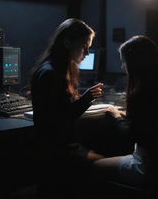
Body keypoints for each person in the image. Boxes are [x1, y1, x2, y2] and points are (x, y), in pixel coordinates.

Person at [92, 35, 158, 198]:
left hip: (147, 166)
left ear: (135, 64)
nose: (122, 66)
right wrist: (126, 115)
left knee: (95, 166)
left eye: (124, 62)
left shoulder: (140, 94)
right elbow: (150, 123)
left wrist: (116, 116)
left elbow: (130, 136)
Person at [30, 18, 104, 198]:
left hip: (59, 147)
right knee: (104, 163)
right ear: (67, 42)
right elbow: (62, 119)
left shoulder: (56, 68)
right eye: (84, 46)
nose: (87, 52)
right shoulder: (51, 74)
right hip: (58, 152)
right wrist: (86, 99)